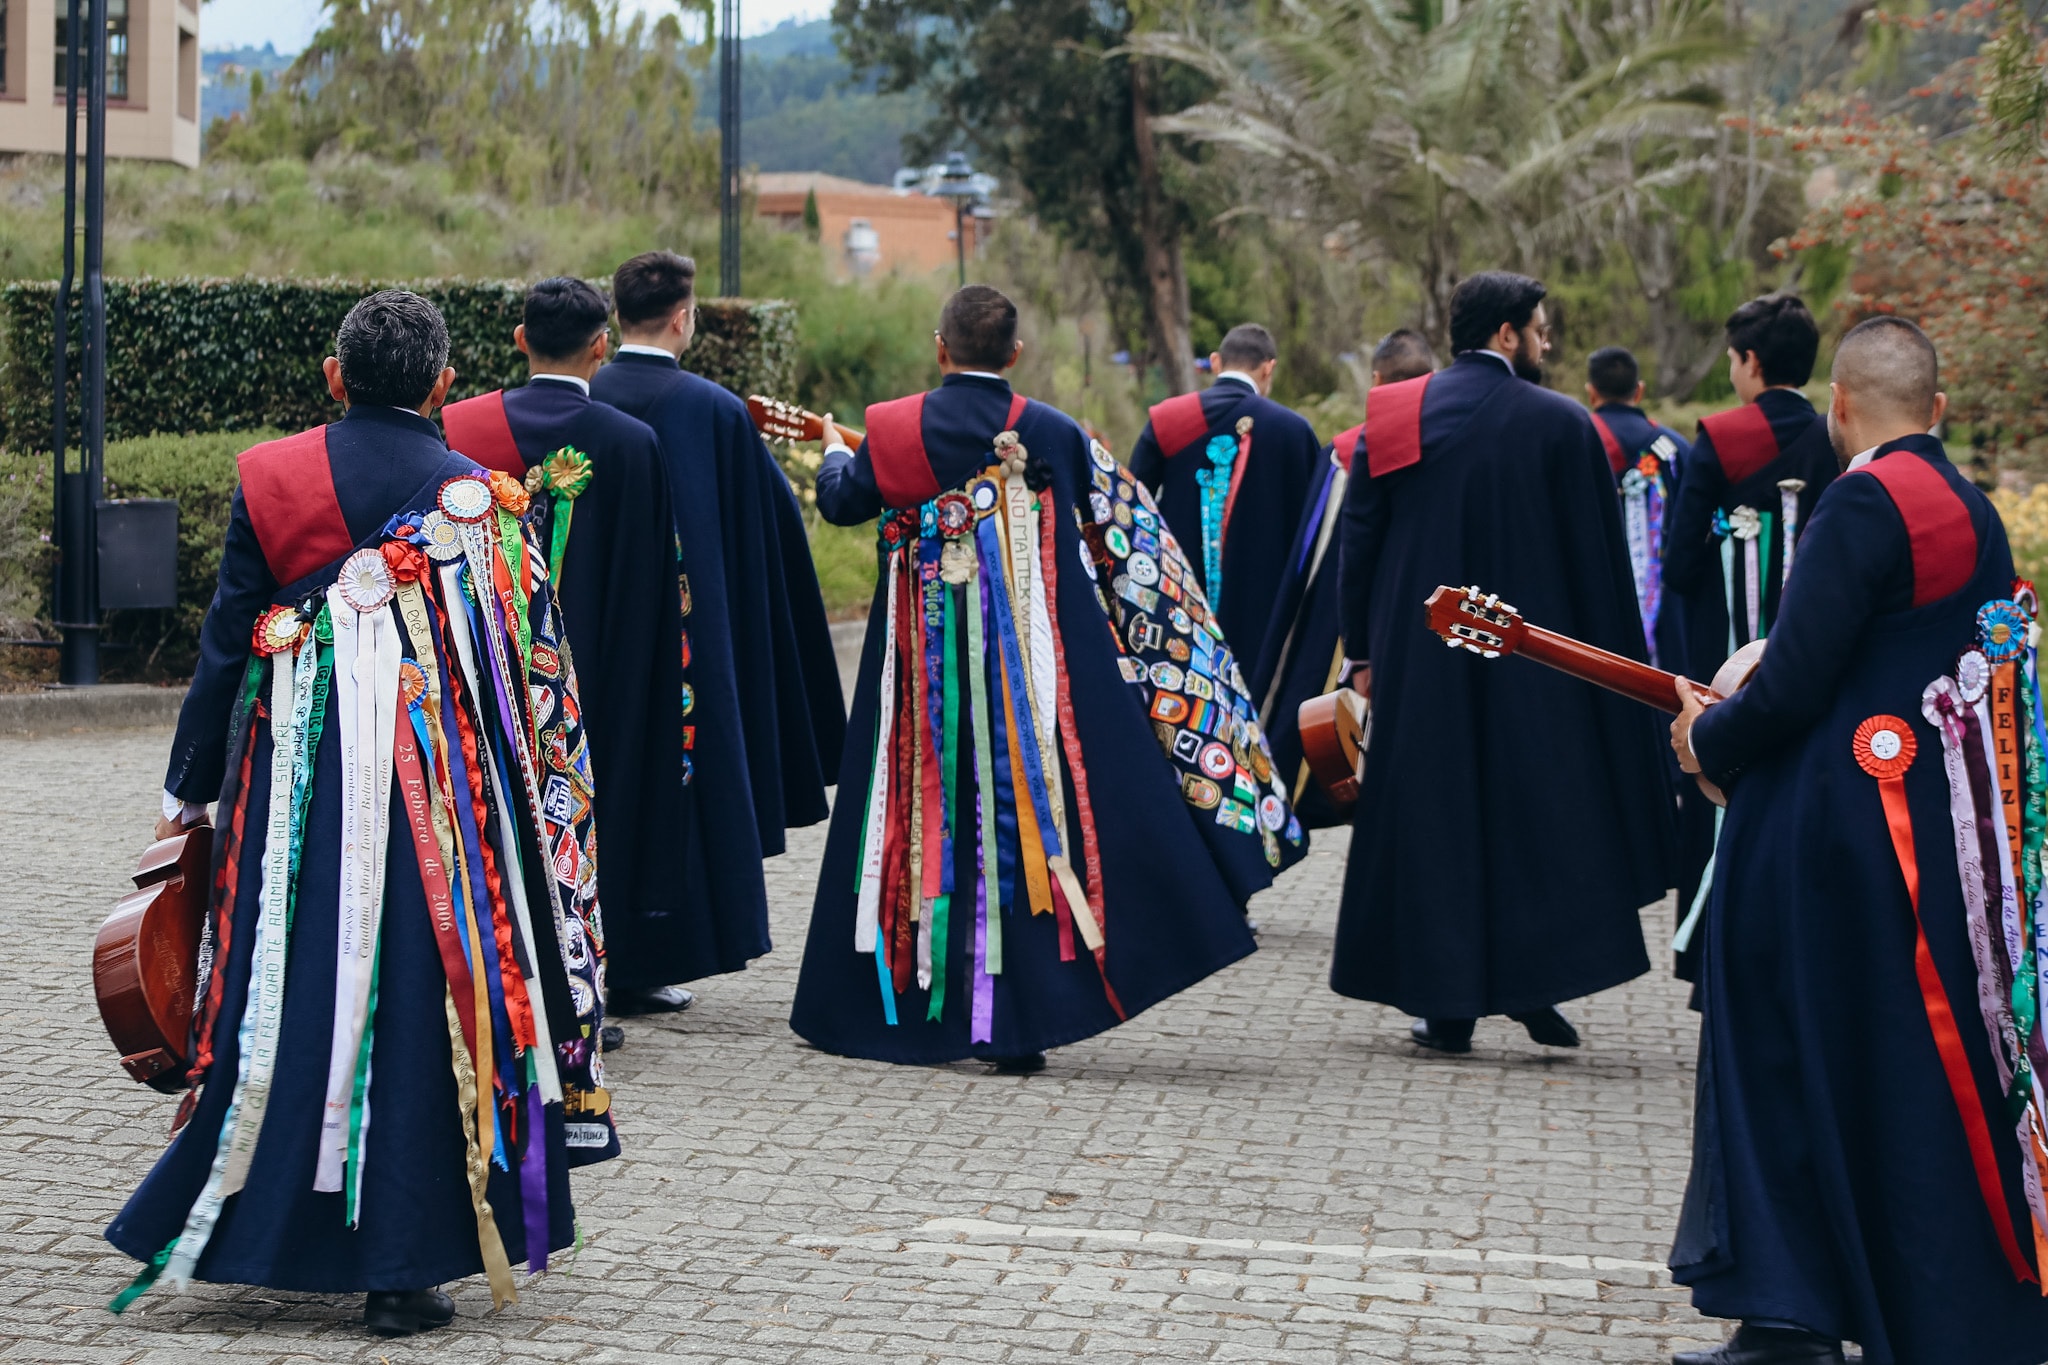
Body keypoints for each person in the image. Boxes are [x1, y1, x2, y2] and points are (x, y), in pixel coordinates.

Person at [109, 291, 615, 1334]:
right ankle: (406, 1264)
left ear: (334, 376)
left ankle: (251, 1219)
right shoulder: (479, 499)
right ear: (442, 387)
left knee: (282, 979)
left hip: (290, 781)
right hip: (442, 796)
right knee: (427, 987)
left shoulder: (271, 475)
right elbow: (530, 678)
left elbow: (225, 643)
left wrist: (186, 789)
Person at [790, 285, 1305, 1072]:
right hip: (1037, 676)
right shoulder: (1055, 432)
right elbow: (1128, 534)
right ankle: (1023, 1017)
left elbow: (843, 503)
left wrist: (833, 452)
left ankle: (908, 1007)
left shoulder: (894, 426)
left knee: (923, 812)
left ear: (939, 348)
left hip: (922, 676)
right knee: (1031, 814)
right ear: (1016, 356)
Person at [1667, 317, 2048, 1365]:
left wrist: (1704, 734)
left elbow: (1791, 682)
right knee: (1901, 1070)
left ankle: (1786, 1314)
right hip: (1933, 838)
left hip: (1827, 837)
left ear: (1837, 408)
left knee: (1783, 1057)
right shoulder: (1970, 510)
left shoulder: (1861, 502)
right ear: (1937, 410)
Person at [1331, 271, 1671, 1054]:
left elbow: (1362, 542)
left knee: (1435, 814)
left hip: (1420, 654)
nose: (1549, 345)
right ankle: (1532, 985)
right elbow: (1598, 563)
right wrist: (1606, 666)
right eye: (1542, 331)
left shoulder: (1392, 414)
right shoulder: (1561, 422)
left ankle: (1444, 1004)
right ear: (1509, 334)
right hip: (1533, 654)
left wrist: (1363, 652)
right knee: (1534, 811)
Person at [441, 276, 739, 1026]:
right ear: (601, 346)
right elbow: (660, 582)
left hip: (490, 667)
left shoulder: (461, 429)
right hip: (601, 673)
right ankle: (614, 973)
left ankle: (504, 972)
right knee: (608, 814)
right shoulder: (635, 445)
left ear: (518, 340)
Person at [590, 250, 847, 860]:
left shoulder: (583, 399)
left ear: (618, 317)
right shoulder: (718, 411)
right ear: (683, 319)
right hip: (695, 647)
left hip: (593, 634)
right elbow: (772, 533)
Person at [1662, 296, 1839, 984]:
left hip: (1728, 650)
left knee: (1719, 779)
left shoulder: (1723, 438)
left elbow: (1679, 563)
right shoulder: (1838, 440)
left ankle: (1714, 951)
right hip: (1815, 649)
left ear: (1750, 363)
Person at [1250, 328, 1436, 829]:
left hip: (1347, 628)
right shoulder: (1455, 449)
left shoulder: (1349, 452)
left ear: (1375, 381)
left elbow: (1315, 561)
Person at [1585, 345, 1712, 970]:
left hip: (1592, 619)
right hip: (1663, 620)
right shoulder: (1674, 450)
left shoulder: (1579, 440)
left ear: (1591, 392)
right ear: (1638, 391)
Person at [1127, 323, 1324, 671]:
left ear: (1216, 362)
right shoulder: (1294, 432)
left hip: (1179, 608)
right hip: (1265, 616)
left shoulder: (1168, 420)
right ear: (1269, 368)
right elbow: (1314, 532)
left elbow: (1131, 507)